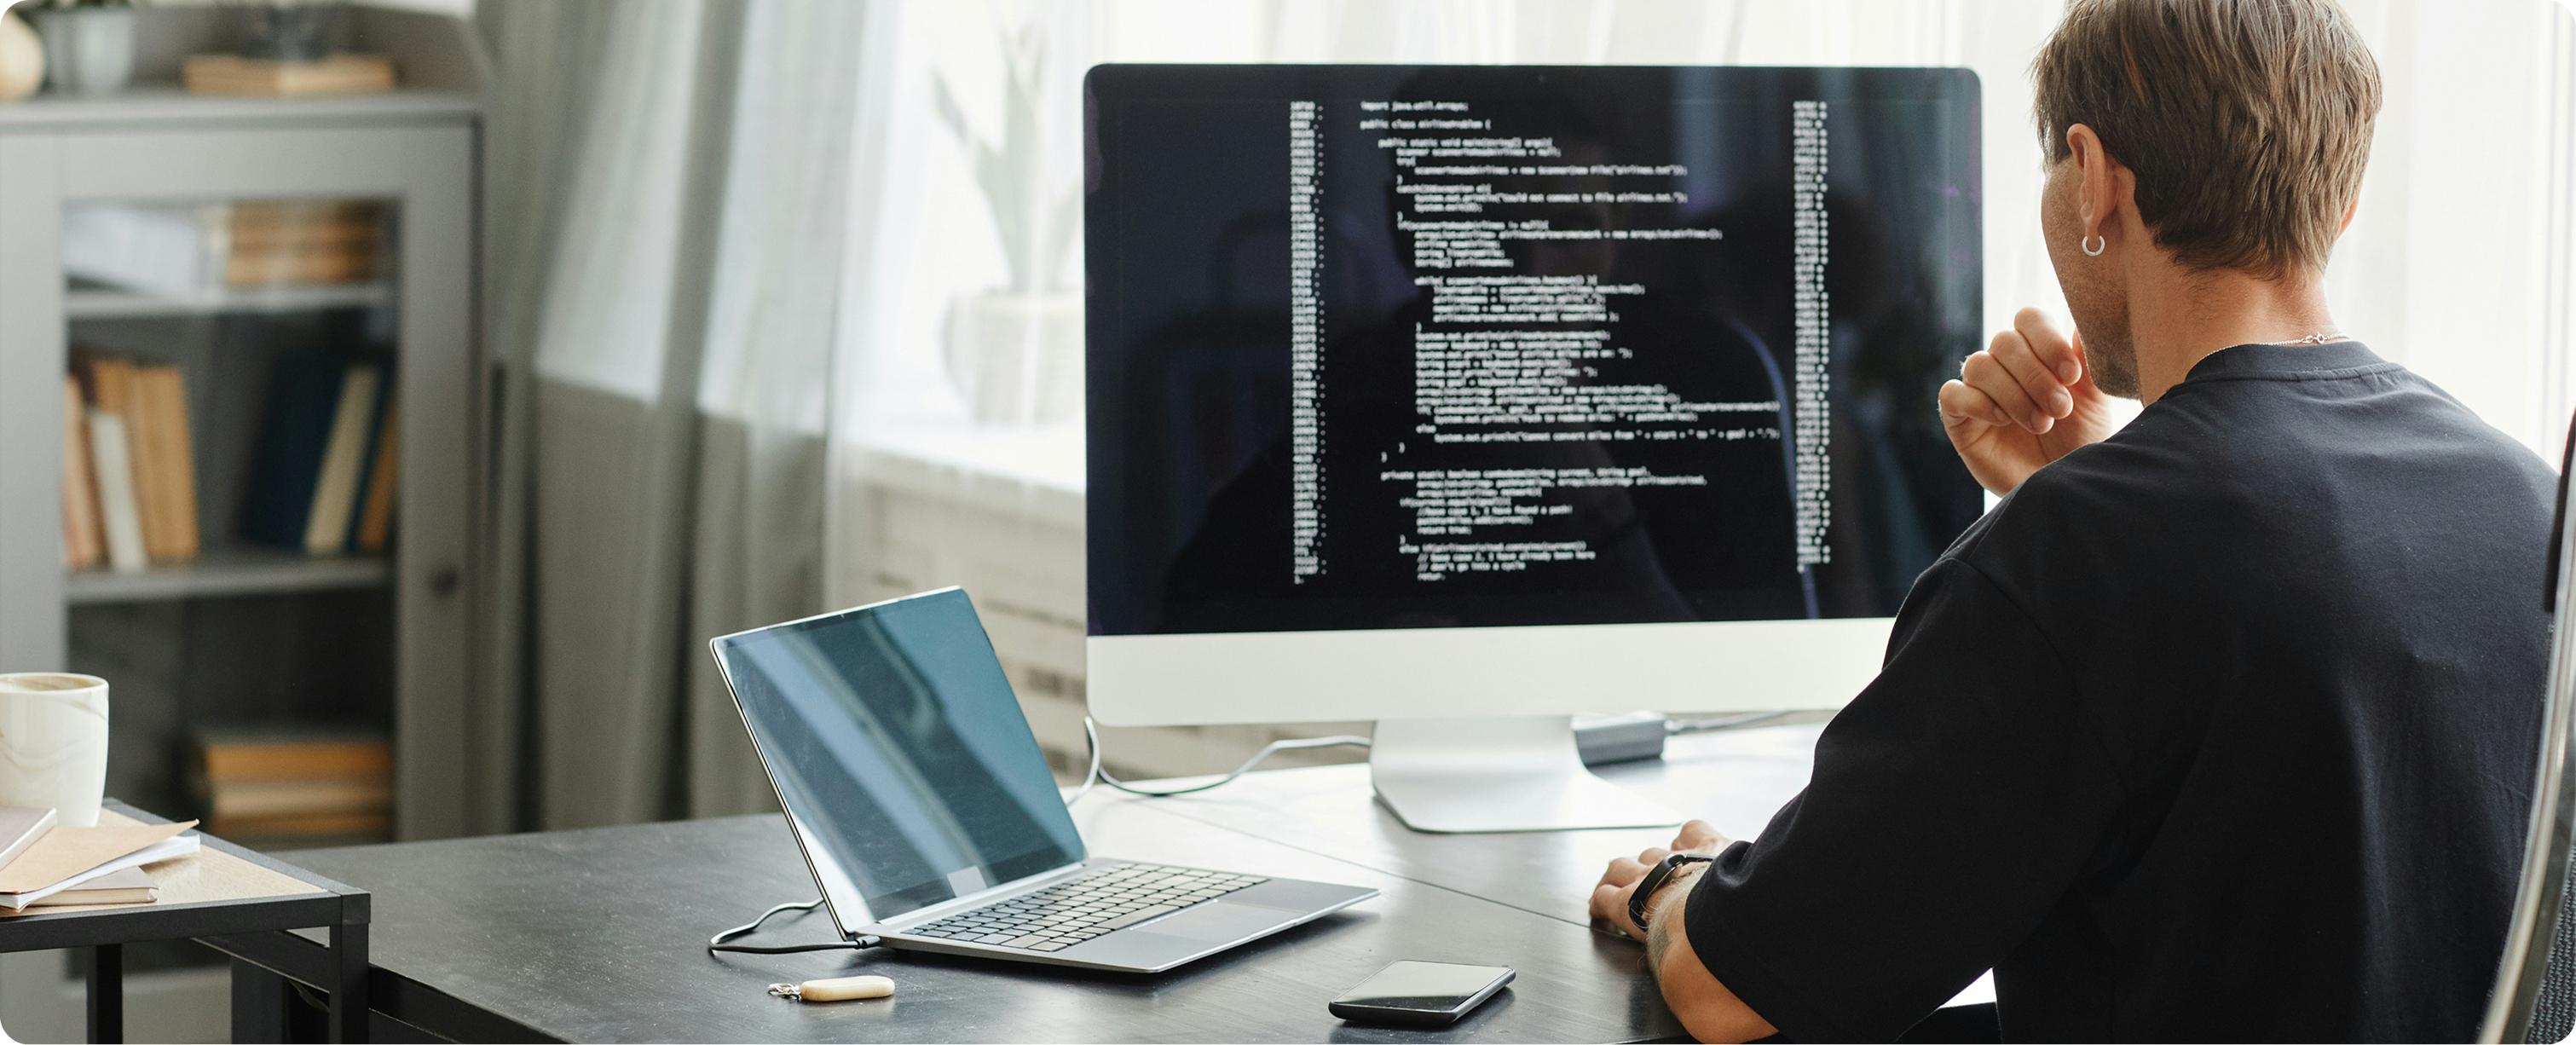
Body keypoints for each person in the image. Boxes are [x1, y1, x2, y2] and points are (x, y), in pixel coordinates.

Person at [1585, 0, 2561, 1041]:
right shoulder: (2531, 501)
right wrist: (2102, 481)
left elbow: (1734, 991)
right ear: (2343, 199)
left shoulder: (2079, 556)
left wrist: (1677, 884)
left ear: (2091, 176)